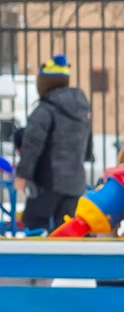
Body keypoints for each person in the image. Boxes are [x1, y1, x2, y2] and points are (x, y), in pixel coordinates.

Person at [17, 53, 90, 232]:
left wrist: (23, 175)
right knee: (65, 230)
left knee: (34, 223)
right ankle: (66, 260)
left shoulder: (45, 111)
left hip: (48, 182)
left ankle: (36, 260)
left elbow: (32, 146)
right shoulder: (81, 112)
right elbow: (88, 150)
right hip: (75, 183)